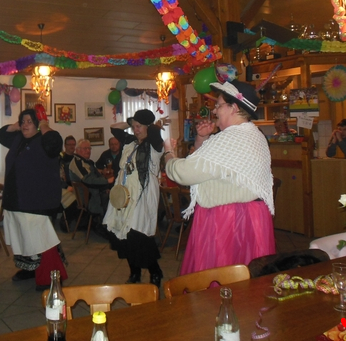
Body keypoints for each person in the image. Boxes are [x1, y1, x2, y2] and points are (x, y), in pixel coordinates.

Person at [165, 80, 275, 275]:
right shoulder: (253, 134)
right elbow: (212, 167)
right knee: (246, 281)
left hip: (227, 220)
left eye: (218, 105)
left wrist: (169, 154)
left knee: (220, 279)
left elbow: (184, 173)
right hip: (251, 218)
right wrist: (202, 139)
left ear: (234, 108)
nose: (214, 111)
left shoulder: (231, 138)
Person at [0, 108, 67, 291]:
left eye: (30, 121)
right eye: (23, 121)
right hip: (16, 200)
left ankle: (51, 277)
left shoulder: (44, 140)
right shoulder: (18, 139)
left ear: (37, 124)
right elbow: (2, 134)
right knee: (23, 238)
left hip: (35, 202)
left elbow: (55, 143)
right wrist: (17, 125)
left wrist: (43, 124)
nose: (25, 125)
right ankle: (30, 269)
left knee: (41, 241)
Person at [102, 109, 170, 288]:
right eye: (134, 127)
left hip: (142, 195)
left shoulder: (155, 145)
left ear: (148, 127)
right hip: (123, 195)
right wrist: (132, 121)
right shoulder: (130, 142)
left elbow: (154, 132)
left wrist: (153, 124)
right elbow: (114, 128)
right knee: (123, 236)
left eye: (139, 126)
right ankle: (134, 272)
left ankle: (155, 271)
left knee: (139, 236)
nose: (135, 129)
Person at [69, 139, 114, 235]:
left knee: (112, 192)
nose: (88, 151)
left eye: (89, 148)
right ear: (77, 150)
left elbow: (96, 177)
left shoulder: (87, 162)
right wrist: (107, 181)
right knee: (113, 197)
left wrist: (104, 177)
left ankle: (109, 225)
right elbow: (88, 180)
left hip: (94, 193)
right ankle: (105, 226)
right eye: (85, 148)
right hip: (88, 198)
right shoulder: (78, 163)